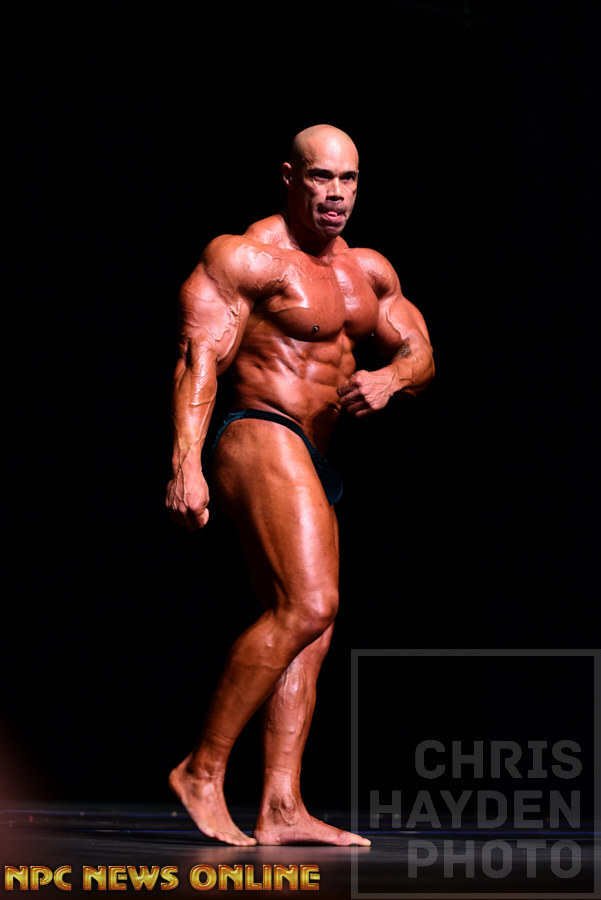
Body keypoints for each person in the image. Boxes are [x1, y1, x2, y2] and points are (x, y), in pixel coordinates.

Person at [165, 124, 434, 847]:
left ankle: (281, 806)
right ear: (290, 177)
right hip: (257, 429)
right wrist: (185, 463)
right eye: (320, 177)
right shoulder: (244, 256)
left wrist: (391, 378)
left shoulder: (368, 272)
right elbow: (198, 358)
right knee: (311, 603)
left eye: (348, 180)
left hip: (315, 454)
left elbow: (420, 350)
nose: (335, 194)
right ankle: (201, 770)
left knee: (309, 627)